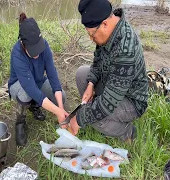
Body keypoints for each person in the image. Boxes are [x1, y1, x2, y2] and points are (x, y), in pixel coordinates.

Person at [63, 0, 148, 143]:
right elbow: (98, 60)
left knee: (97, 119)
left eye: (92, 34)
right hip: (112, 83)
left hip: (131, 99)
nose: (91, 39)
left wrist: (78, 119)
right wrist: (90, 85)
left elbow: (109, 101)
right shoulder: (107, 32)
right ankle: (96, 111)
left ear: (105, 24)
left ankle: (128, 132)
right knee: (82, 74)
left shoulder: (125, 50)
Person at [8, 13, 69, 147]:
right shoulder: (17, 53)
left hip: (38, 81)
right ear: (23, 44)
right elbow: (30, 87)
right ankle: (20, 123)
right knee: (27, 93)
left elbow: (53, 77)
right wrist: (57, 112)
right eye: (33, 51)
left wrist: (61, 109)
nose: (37, 54)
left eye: (38, 49)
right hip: (19, 86)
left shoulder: (45, 46)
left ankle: (35, 106)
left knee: (61, 97)